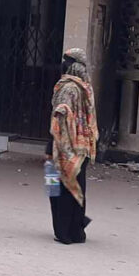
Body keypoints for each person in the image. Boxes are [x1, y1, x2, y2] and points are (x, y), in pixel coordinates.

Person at [48, 48, 99, 244]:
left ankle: (63, 232)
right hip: (82, 146)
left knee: (55, 188)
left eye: (66, 61)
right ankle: (77, 230)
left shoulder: (68, 87)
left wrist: (53, 144)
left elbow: (61, 115)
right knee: (77, 188)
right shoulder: (86, 87)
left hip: (63, 145)